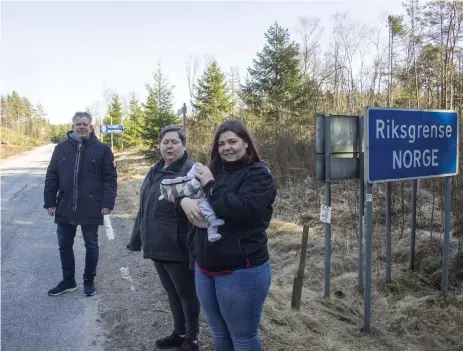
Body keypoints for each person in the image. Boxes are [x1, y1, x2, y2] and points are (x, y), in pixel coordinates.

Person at [179, 119, 277, 351]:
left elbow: (243, 210)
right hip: (205, 265)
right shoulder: (213, 171)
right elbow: (185, 194)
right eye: (221, 143)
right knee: (219, 333)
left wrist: (211, 186)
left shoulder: (258, 174)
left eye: (233, 141)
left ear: (246, 143)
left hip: (240, 269)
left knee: (243, 337)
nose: (227, 148)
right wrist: (184, 201)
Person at [128, 125, 200, 351]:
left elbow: (199, 207)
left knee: (186, 293)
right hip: (156, 243)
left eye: (175, 142)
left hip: (177, 245)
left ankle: (193, 338)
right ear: (159, 145)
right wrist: (138, 238)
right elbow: (145, 206)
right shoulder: (155, 170)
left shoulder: (190, 171)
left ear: (184, 145)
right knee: (171, 292)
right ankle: (179, 332)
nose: (170, 146)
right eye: (165, 142)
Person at [44, 111, 117, 297]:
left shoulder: (102, 149)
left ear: (90, 126)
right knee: (64, 245)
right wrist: (50, 201)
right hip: (65, 204)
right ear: (73, 126)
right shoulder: (61, 148)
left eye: (85, 124)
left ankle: (88, 281)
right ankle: (68, 281)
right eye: (78, 124)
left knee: (91, 245)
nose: (82, 127)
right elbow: (52, 176)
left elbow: (110, 178)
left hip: (91, 205)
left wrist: (108, 202)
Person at [159, 162, 224, 242]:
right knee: (207, 211)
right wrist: (183, 201)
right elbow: (190, 188)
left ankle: (212, 230)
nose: (180, 178)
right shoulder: (155, 171)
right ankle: (212, 228)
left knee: (207, 212)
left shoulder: (187, 168)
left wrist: (196, 167)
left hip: (189, 235)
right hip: (181, 234)